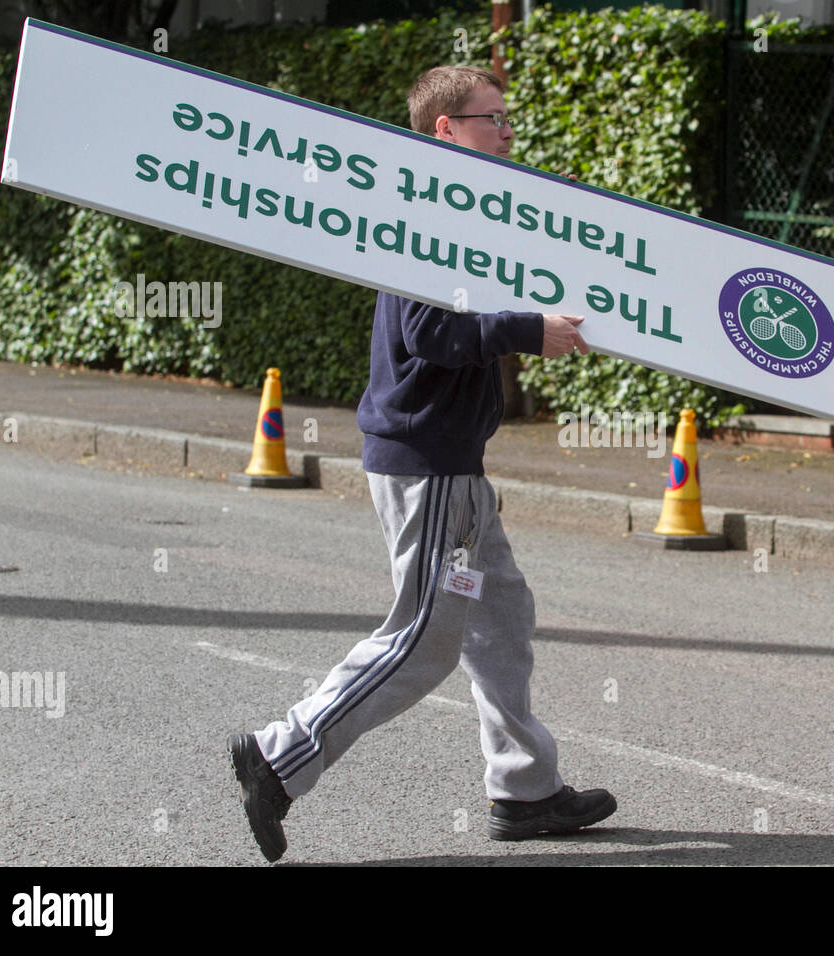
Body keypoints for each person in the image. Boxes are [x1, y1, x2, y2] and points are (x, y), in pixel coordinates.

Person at [227, 64, 616, 862]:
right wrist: (525, 330)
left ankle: (525, 792)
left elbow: (453, 327)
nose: (507, 132)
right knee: (423, 640)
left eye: (508, 119)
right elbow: (429, 335)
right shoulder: (423, 209)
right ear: (444, 129)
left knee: (501, 620)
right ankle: (280, 755)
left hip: (452, 468)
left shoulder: (457, 211)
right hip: (430, 469)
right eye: (492, 120)